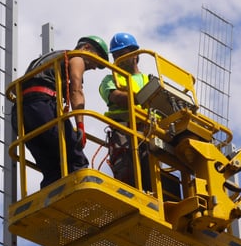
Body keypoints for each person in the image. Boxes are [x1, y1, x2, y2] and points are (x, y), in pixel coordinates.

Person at [12, 35, 110, 188]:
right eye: (96, 61)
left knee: (52, 167)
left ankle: (52, 199)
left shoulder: (50, 61)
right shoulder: (76, 58)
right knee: (75, 156)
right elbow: (76, 91)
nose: (94, 67)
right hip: (41, 107)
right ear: (86, 48)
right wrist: (81, 128)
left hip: (21, 114)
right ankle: (81, 193)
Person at [99, 32, 151, 189]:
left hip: (149, 132)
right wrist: (144, 97)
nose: (117, 60)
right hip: (123, 131)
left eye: (121, 54)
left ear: (135, 54)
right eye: (115, 56)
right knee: (127, 171)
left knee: (152, 173)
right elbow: (116, 97)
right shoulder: (110, 79)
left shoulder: (149, 80)